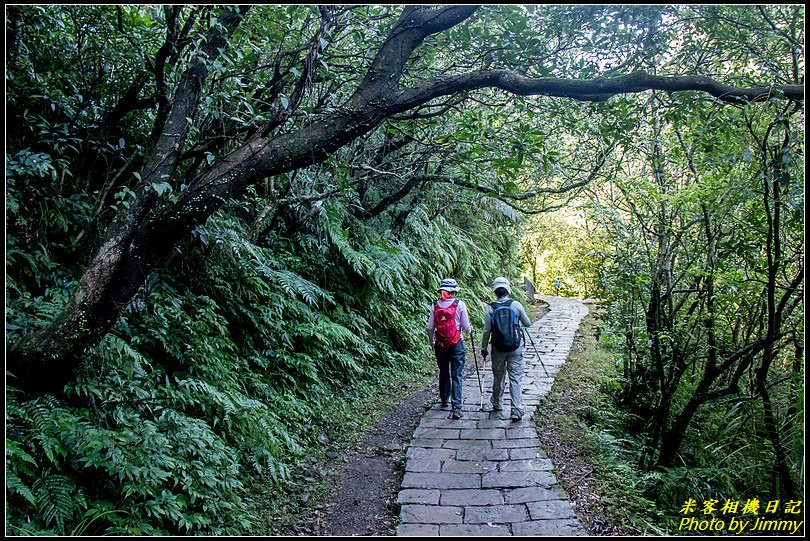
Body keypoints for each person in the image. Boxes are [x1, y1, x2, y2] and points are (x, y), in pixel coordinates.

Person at [480, 277, 532, 421]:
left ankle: (497, 403)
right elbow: (527, 324)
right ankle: (516, 410)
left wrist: (484, 348)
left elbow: (486, 331)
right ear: (508, 289)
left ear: (495, 291)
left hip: (498, 348)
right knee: (515, 378)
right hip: (515, 347)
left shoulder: (490, 308)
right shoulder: (515, 305)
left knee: (499, 376)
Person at [427, 278, 472, 420]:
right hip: (456, 343)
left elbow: (429, 327)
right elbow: (465, 326)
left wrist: (431, 342)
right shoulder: (460, 304)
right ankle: (457, 407)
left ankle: (444, 399)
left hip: (440, 344)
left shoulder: (434, 305)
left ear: (442, 291)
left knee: (444, 371)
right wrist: (470, 330)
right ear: (454, 291)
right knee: (457, 374)